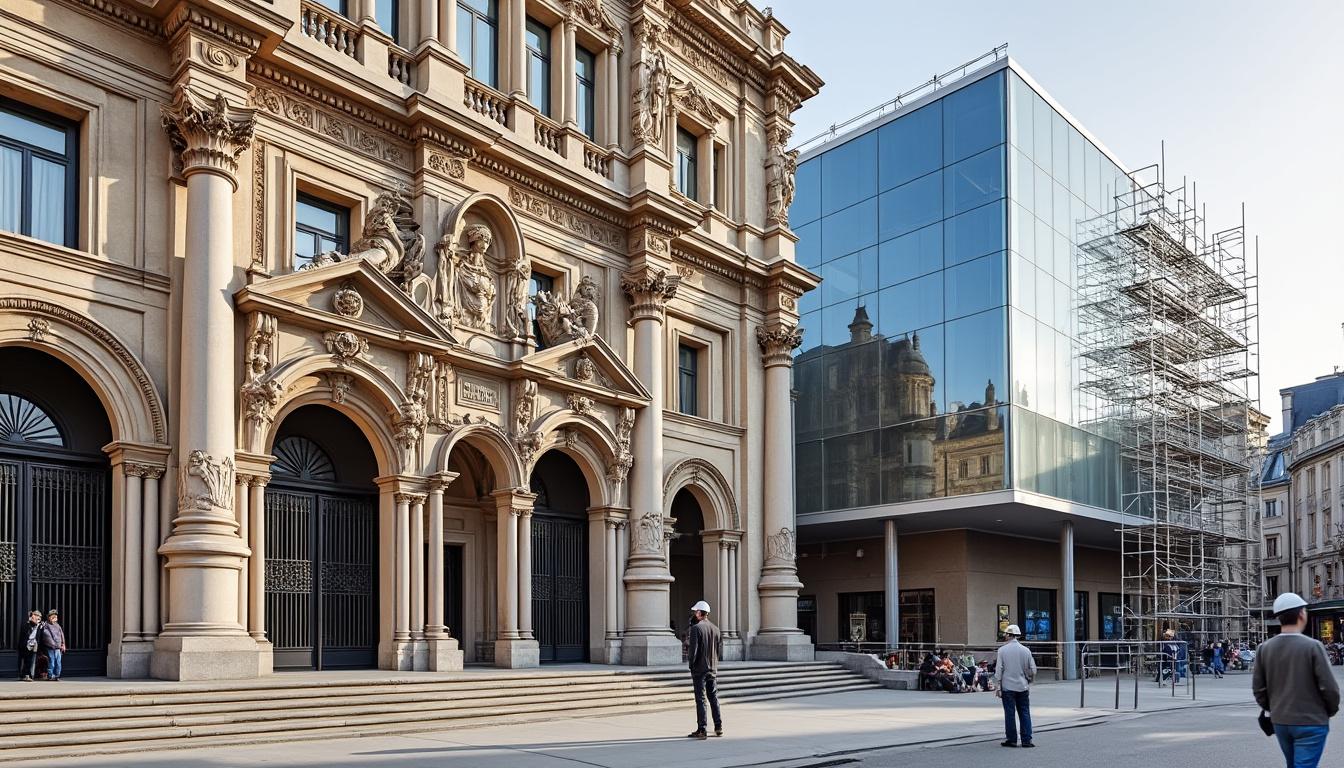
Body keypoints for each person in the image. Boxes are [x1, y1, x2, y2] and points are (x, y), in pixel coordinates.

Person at [1253, 593, 1340, 768]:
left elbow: (1258, 689)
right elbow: (1330, 688)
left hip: (1281, 722)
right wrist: (1328, 711)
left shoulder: (1264, 648)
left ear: (1279, 618)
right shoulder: (1313, 646)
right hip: (1311, 721)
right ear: (1302, 614)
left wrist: (1274, 708)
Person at [995, 624, 1037, 748]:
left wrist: (998, 685)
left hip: (1008, 686)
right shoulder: (1026, 650)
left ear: (1009, 635)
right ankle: (1026, 740)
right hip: (1023, 686)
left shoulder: (1002, 650)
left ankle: (1012, 739)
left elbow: (999, 669)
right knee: (1024, 712)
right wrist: (1029, 680)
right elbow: (1032, 669)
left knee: (1010, 713)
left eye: (1006, 634)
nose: (1005, 636)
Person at [685, 600, 722, 740]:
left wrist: (691, 665)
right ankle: (718, 727)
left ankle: (702, 729)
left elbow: (693, 651)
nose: (695, 614)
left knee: (701, 699)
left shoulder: (696, 628)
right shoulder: (716, 629)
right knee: (713, 697)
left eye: (696, 611)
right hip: (712, 668)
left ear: (700, 613)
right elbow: (717, 650)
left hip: (699, 669)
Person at [15, 609, 42, 682]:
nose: (38, 619)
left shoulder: (38, 626)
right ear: (33, 616)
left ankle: (28, 675)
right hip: (25, 646)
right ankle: (24, 675)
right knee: (26, 661)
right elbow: (29, 636)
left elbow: (38, 636)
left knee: (30, 661)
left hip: (32, 646)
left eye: (39, 617)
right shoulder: (27, 624)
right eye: (37, 617)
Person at [40, 609, 65, 682]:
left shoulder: (57, 625)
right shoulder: (46, 626)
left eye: (55, 617)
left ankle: (57, 675)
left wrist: (63, 644)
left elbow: (61, 635)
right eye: (53, 617)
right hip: (51, 648)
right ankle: (50, 676)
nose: (55, 619)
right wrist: (54, 645)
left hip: (58, 648)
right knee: (52, 661)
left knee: (58, 662)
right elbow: (47, 637)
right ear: (49, 618)